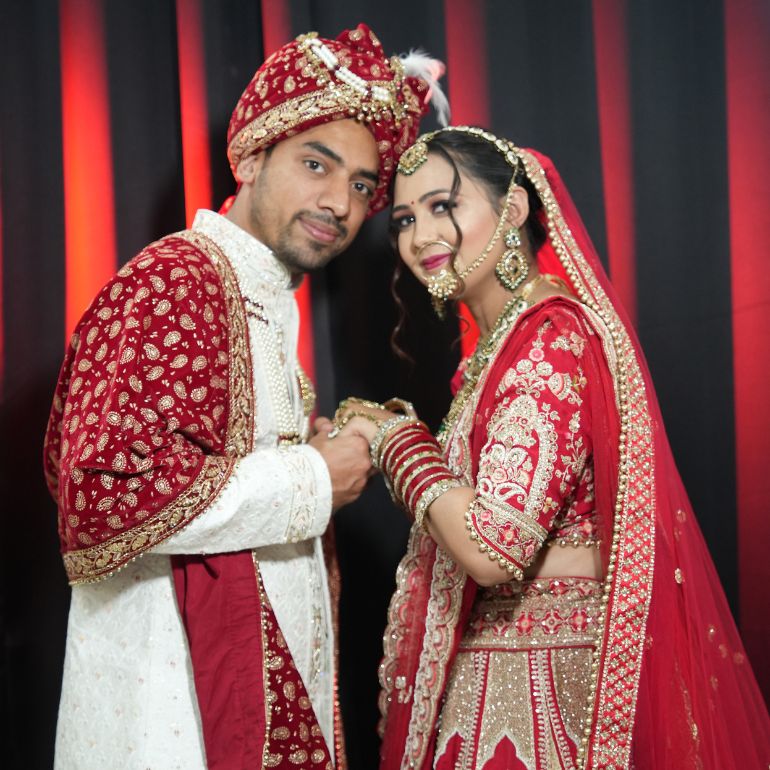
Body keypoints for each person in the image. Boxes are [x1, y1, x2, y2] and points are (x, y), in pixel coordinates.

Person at [43, 24, 445, 770]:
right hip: (168, 718)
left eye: (362, 185)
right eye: (316, 164)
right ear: (253, 156)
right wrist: (314, 478)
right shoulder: (176, 279)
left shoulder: (256, 295)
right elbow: (104, 494)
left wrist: (309, 451)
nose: (340, 202)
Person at [332, 126, 770, 769]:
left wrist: (396, 443)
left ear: (512, 209)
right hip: (503, 673)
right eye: (404, 219)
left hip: (537, 693)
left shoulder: (549, 341)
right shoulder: (501, 349)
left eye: (442, 206)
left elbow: (493, 548)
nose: (419, 236)